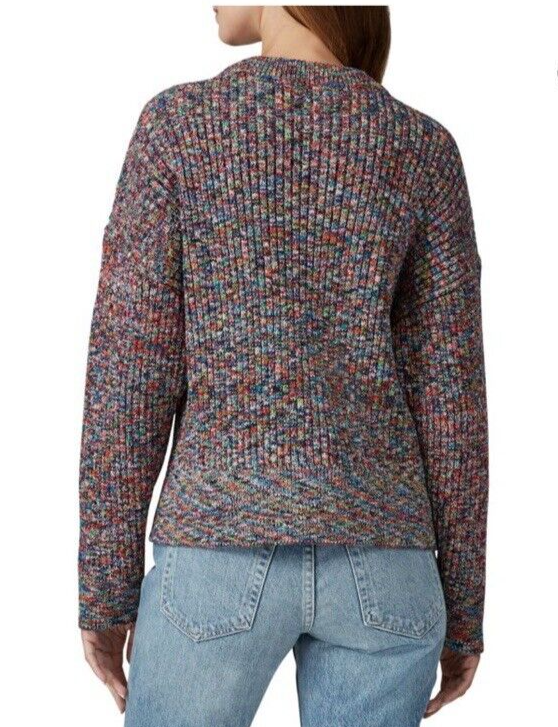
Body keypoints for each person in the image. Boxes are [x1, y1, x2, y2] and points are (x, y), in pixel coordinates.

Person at [78, 6, 489, 725]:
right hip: (386, 565)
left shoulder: (179, 127)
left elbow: (129, 372)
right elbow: (452, 401)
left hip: (217, 544)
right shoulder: (422, 148)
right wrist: (463, 610)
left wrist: (106, 592)